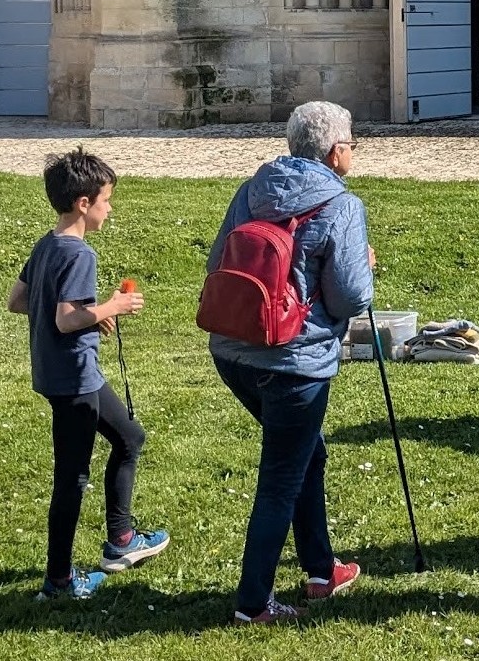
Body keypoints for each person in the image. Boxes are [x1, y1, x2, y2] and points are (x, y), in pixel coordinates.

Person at [209, 101, 374, 624]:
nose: (352, 154)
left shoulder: (251, 190)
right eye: (351, 145)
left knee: (306, 455)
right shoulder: (342, 206)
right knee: (282, 475)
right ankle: (253, 604)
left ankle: (322, 570)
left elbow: (219, 263)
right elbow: (349, 299)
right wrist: (363, 267)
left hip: (233, 350)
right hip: (295, 363)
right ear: (333, 151)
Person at [6, 149, 169, 600]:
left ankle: (121, 542)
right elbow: (63, 319)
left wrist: (90, 314)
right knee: (72, 477)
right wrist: (111, 306)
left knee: (129, 438)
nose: (109, 207)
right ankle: (58, 581)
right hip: (73, 378)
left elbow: (17, 300)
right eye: (106, 199)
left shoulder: (47, 243)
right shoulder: (78, 254)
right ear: (83, 203)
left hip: (72, 373)